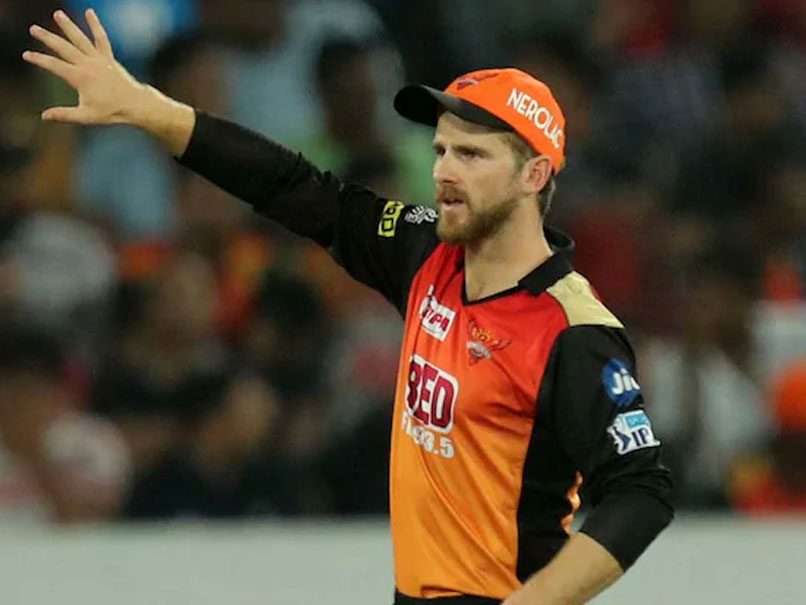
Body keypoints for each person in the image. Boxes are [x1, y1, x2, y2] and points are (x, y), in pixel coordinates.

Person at [23, 9, 673, 604]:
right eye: (442, 149)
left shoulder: (571, 329)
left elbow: (642, 491)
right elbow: (298, 189)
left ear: (534, 175)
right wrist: (148, 109)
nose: (444, 171)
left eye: (472, 154)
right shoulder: (426, 252)